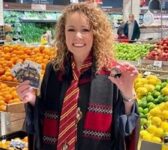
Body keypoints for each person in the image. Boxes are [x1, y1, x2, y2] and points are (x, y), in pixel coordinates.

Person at [16, 3, 140, 150]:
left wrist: (127, 95)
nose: (77, 36)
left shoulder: (114, 71)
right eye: (71, 29)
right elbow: (43, 116)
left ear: (96, 33)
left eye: (85, 30)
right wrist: (32, 100)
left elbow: (125, 129)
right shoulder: (54, 69)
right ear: (63, 33)